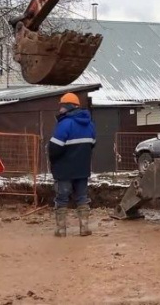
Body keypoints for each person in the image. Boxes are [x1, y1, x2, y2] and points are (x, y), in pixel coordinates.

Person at [47, 92, 96, 237]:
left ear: (68, 107)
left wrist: (54, 161)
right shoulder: (90, 125)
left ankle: (61, 230)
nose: (60, 109)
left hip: (64, 170)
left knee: (62, 198)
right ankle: (84, 228)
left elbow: (54, 148)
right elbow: (92, 144)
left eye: (62, 106)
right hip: (82, 169)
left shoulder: (64, 124)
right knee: (82, 197)